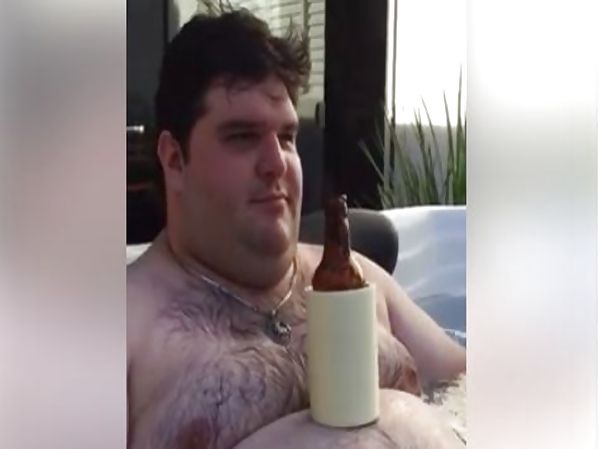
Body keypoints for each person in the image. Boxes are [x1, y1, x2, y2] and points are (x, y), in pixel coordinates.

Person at [127, 7, 466, 449]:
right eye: (243, 136)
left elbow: (471, 389)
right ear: (174, 159)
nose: (277, 163)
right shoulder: (122, 328)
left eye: (287, 138)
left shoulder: (362, 282)